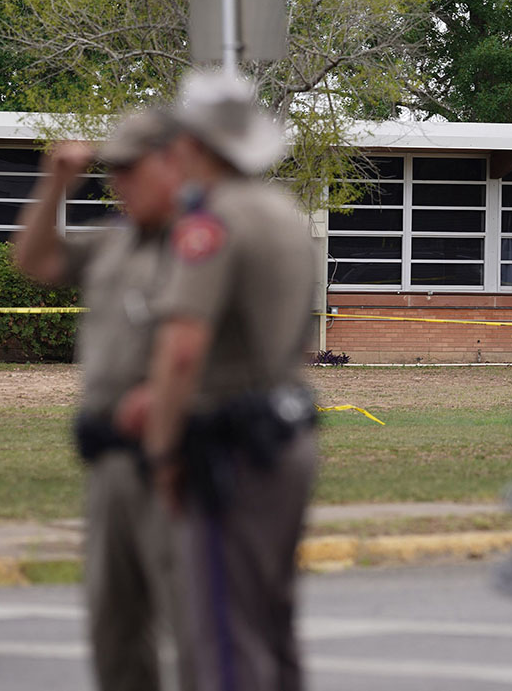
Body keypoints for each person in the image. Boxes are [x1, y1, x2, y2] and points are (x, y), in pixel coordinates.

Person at [134, 72, 320, 691]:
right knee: (272, 622)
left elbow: (182, 349)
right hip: (287, 435)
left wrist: (162, 452)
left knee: (224, 636)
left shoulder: (211, 223)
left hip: (231, 447)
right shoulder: (287, 215)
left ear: (193, 144)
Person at [11, 109, 187, 691]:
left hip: (176, 460)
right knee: (115, 623)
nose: (119, 184)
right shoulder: (115, 243)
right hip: (110, 458)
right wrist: (55, 183)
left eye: (132, 170)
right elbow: (34, 260)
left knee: (191, 622)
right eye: (113, 171)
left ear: (173, 163)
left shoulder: (204, 243)